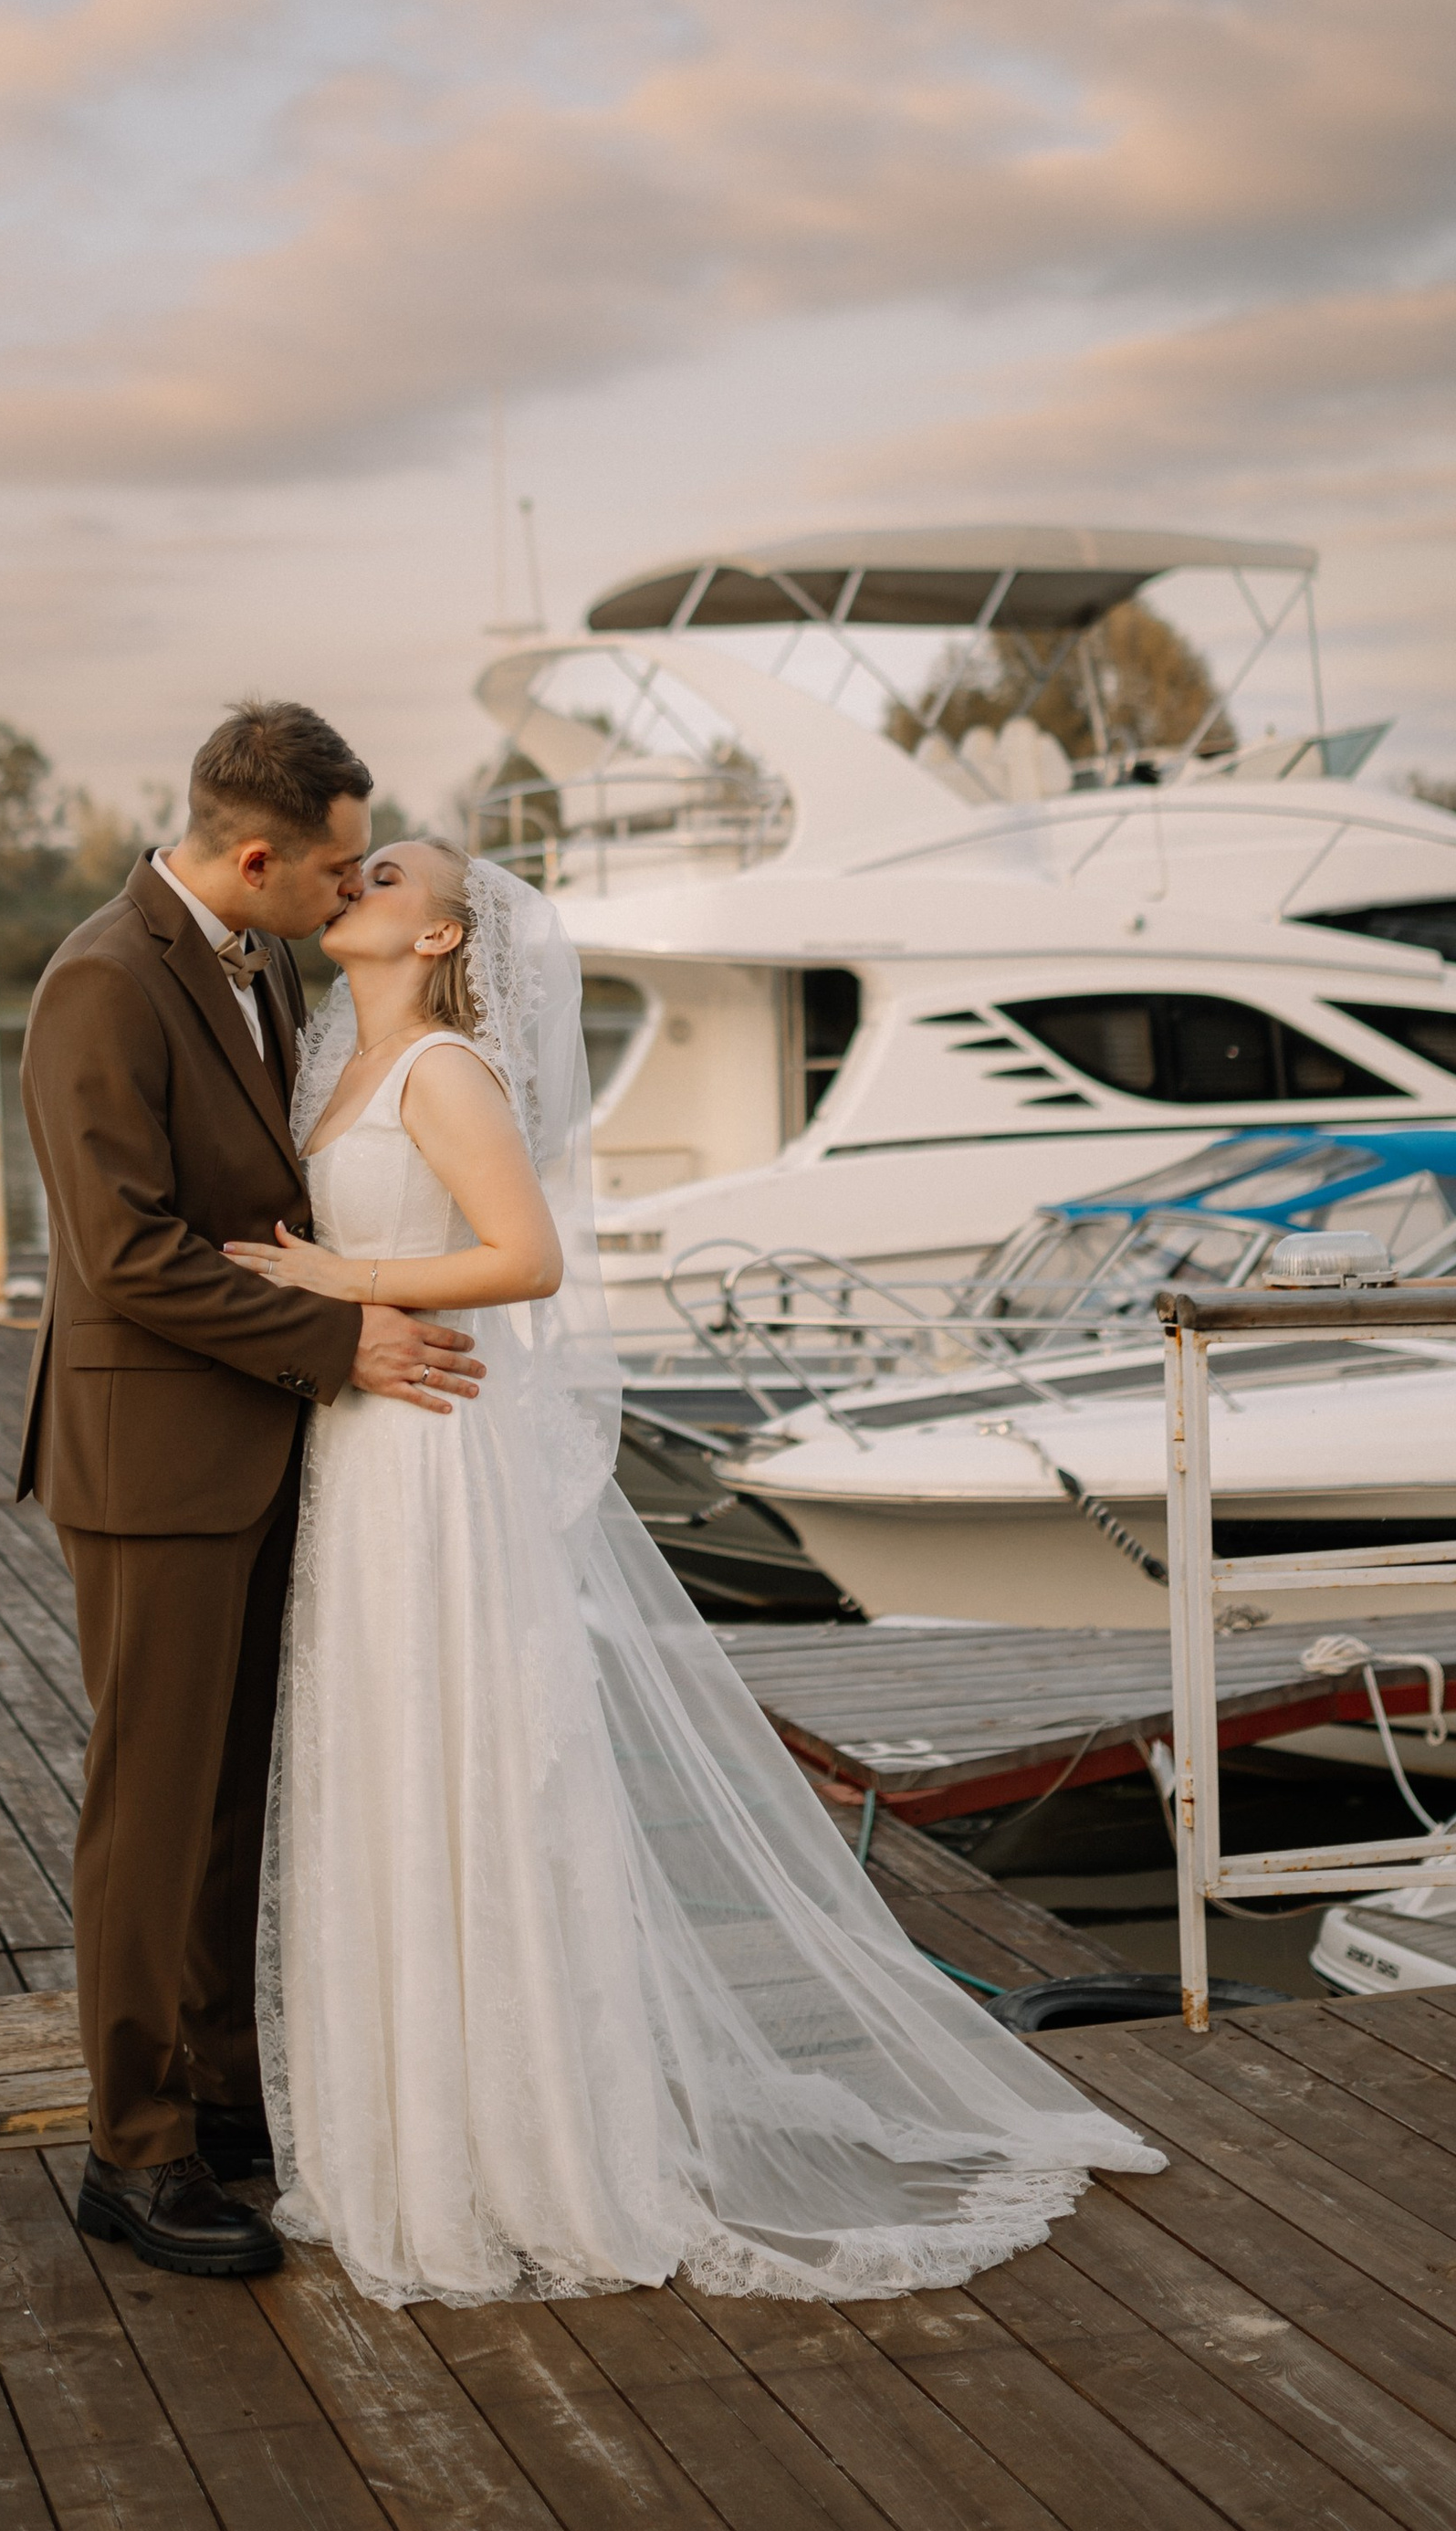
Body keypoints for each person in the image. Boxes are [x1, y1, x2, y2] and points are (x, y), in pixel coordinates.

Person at [225, 839, 1164, 2310]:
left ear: (442, 935)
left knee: (458, 1766)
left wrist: (348, 1281)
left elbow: (526, 1257)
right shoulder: (338, 1061)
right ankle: (410, 2140)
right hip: (362, 1446)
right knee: (386, 1764)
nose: (354, 880)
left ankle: (517, 2148)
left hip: (433, 1453)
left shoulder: (447, 1071)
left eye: (387, 873)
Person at [16, 705, 480, 2279]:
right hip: (153, 1459)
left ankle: (218, 2103)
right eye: (341, 866)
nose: (355, 886)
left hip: (260, 1440)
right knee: (150, 1812)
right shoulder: (102, 979)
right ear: (261, 854)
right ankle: (130, 2151)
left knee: (228, 1807)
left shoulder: (264, 963)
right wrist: (346, 1340)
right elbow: (125, 1254)